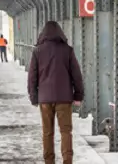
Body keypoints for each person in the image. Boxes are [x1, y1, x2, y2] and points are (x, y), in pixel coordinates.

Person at [28, 21, 84, 164]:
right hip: (64, 99)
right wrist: (78, 95)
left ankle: (49, 161)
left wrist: (34, 97)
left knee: (47, 132)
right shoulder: (67, 50)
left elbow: (32, 77)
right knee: (66, 132)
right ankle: (67, 161)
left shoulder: (37, 51)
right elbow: (76, 75)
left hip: (45, 99)